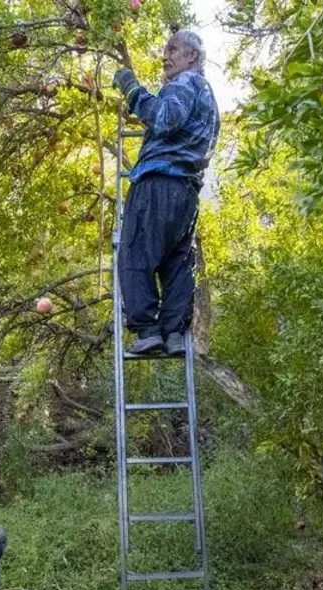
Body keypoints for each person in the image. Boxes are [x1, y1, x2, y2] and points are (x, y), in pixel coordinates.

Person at [112, 30, 220, 357]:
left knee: (135, 253)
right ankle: (173, 334)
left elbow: (165, 116)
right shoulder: (207, 98)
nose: (165, 56)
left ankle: (147, 330)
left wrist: (131, 87)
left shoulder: (185, 84)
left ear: (193, 58)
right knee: (175, 263)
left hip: (158, 185)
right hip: (186, 193)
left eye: (173, 49)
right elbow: (176, 127)